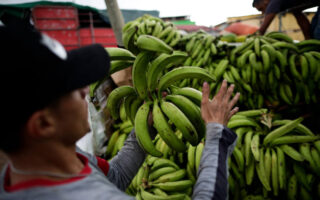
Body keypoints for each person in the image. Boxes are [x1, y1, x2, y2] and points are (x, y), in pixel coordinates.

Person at [0, 23, 240, 200]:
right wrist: (217, 136)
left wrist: (144, 129)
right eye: (72, 89)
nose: (85, 91)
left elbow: (115, 177)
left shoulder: (37, 167)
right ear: (43, 124)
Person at [252, 0, 320, 39]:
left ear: (265, 1)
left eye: (261, 9)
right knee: (313, 31)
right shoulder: (288, 2)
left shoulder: (274, 2)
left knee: (317, 35)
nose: (263, 12)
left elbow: (262, 30)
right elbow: (301, 19)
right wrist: (308, 39)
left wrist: (256, 36)